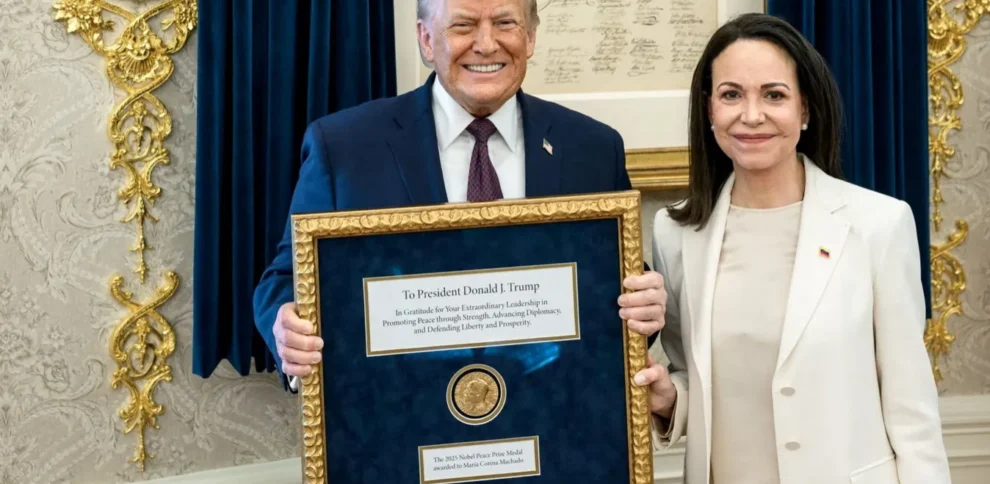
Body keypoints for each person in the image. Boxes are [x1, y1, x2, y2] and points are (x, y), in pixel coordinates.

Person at [251, 0, 667, 392]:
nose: (486, 44)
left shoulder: (592, 148)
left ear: (530, 37)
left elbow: (615, 285)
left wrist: (644, 308)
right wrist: (287, 328)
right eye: (463, 25)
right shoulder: (344, 148)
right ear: (426, 39)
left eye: (505, 23)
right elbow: (286, 280)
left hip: (552, 413)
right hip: (397, 417)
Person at [631, 13, 951, 484]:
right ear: (709, 110)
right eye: (731, 95)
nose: (751, 115)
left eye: (774, 95)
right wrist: (667, 399)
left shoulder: (878, 225)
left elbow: (912, 410)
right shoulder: (676, 232)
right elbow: (696, 379)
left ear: (805, 110)